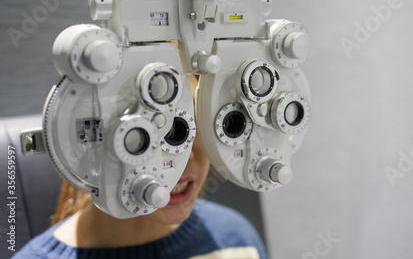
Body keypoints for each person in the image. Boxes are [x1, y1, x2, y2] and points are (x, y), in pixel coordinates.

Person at [12, 75, 268, 259]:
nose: (185, 155)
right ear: (92, 138)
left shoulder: (235, 240)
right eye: (143, 130)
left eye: (194, 119)